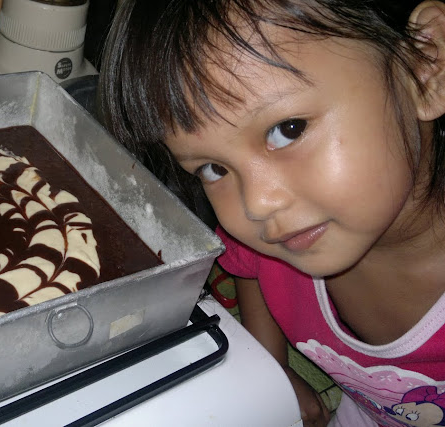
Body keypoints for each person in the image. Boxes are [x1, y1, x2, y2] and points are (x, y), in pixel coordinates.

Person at [98, 1, 445, 426]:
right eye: (214, 168)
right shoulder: (293, 234)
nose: (256, 205)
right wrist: (268, 361)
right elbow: (252, 269)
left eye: (289, 129)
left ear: (425, 65)